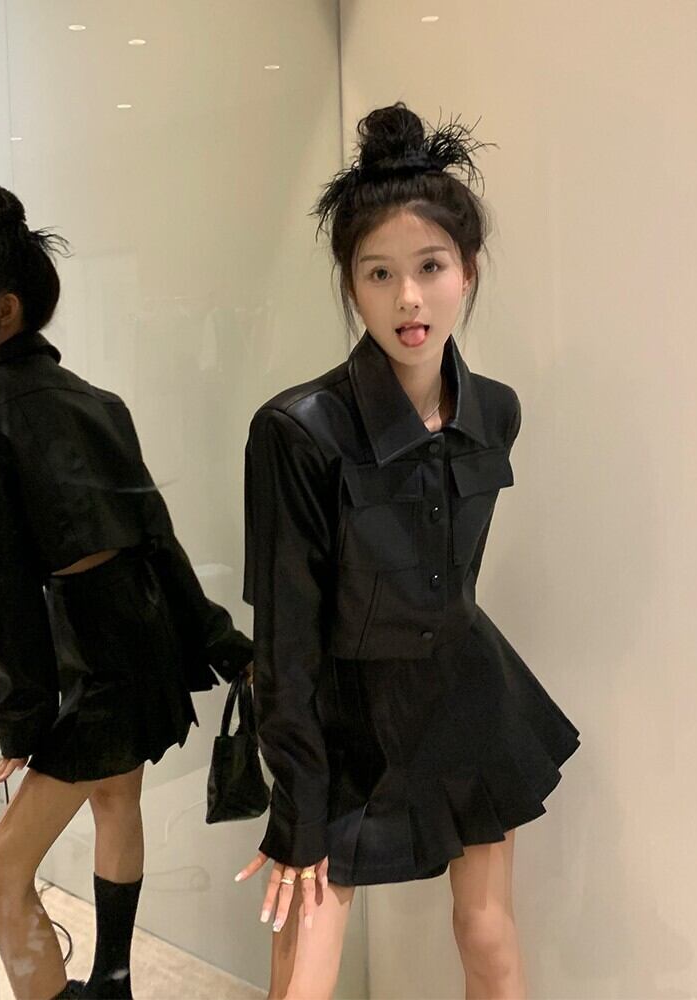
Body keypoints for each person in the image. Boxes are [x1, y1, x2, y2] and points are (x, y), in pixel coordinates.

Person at [235, 103, 581, 999]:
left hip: (464, 696)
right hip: (341, 718)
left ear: (468, 270)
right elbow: (285, 636)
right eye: (379, 273)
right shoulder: (297, 430)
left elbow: (452, 577)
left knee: (488, 935)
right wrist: (297, 800)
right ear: (352, 285)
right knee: (303, 971)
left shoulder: (495, 410)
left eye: (430, 267)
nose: (409, 299)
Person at [0, 183, 253, 1000]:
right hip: (142, 629)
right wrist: (219, 641)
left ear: (4, 311)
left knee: (5, 866)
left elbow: (8, 583)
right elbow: (157, 536)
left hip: (92, 649)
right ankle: (115, 981)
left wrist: (22, 717)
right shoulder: (102, 403)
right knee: (114, 799)